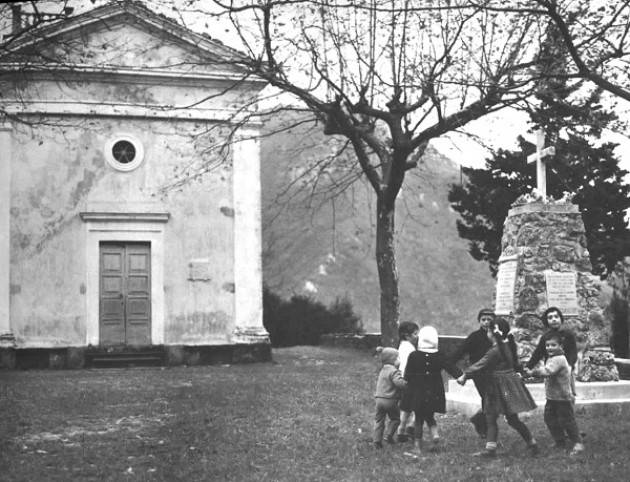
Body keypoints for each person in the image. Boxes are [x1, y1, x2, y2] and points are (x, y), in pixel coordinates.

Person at [457, 318, 539, 457]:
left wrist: (465, 375)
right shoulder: (507, 346)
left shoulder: (495, 350)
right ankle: (532, 443)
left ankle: (490, 450)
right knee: (512, 418)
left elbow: (481, 364)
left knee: (490, 417)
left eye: (488, 330)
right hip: (506, 385)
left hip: (496, 387)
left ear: (491, 333)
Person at [404, 326, 462, 455]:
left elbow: (408, 375)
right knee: (430, 417)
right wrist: (461, 376)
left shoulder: (414, 355)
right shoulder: (440, 355)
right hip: (434, 391)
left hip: (418, 391)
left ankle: (417, 446)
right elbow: (450, 367)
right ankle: (434, 434)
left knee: (418, 418)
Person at [525, 334, 585, 456]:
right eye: (547, 345)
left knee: (567, 420)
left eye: (553, 345)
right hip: (552, 397)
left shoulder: (559, 359)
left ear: (561, 346)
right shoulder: (552, 357)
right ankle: (560, 440)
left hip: (562, 397)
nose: (549, 348)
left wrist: (532, 372)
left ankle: (578, 442)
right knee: (549, 418)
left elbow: (548, 371)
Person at [449, 308, 494, 438]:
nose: (486, 322)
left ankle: (479, 420)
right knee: (487, 398)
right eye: (483, 320)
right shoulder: (474, 337)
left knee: (492, 400)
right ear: (479, 321)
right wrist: (452, 367)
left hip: (494, 373)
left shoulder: (496, 336)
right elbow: (459, 352)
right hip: (479, 374)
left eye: (489, 320)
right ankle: (484, 427)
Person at [373, 346, 407, 448]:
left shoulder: (383, 369)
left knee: (379, 420)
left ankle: (376, 441)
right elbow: (399, 383)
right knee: (395, 419)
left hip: (379, 400)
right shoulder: (394, 371)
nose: (399, 360)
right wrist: (406, 383)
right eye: (397, 358)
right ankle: (388, 435)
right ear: (392, 360)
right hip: (390, 400)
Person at [526, 307, 578, 373]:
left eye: (556, 317)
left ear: (561, 319)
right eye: (550, 318)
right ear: (546, 321)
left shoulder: (568, 335)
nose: (554, 319)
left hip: (566, 371)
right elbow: (538, 354)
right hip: (550, 370)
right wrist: (528, 367)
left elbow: (573, 352)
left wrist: (570, 365)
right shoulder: (545, 337)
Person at [396, 321, 419, 442]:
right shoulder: (409, 349)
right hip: (410, 380)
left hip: (404, 379)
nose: (417, 336)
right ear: (406, 335)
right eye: (415, 334)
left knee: (406, 408)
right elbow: (407, 366)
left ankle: (401, 431)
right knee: (418, 405)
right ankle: (411, 426)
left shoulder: (402, 346)